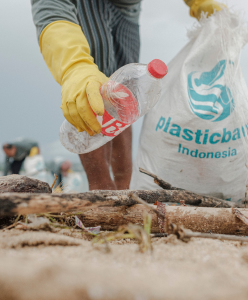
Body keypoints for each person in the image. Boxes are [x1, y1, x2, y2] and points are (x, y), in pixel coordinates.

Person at [30, 0, 224, 190]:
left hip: (127, 9)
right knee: (97, 86)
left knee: (124, 93)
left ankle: (124, 189)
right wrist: (75, 67)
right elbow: (51, 7)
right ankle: (101, 188)